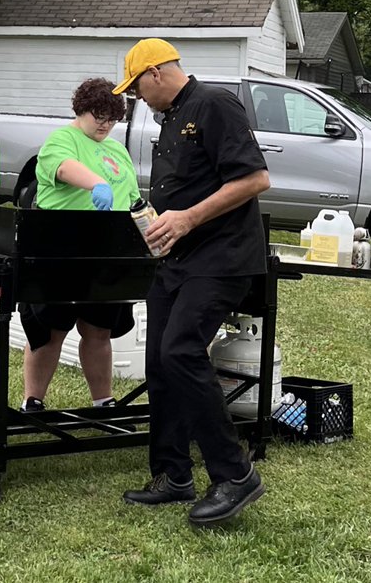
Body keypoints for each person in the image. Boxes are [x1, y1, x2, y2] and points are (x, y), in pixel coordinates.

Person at [113, 39, 271, 526]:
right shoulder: (170, 119)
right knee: (160, 359)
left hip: (220, 257)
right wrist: (159, 225)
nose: (137, 98)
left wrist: (186, 219)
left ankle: (234, 474)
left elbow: (255, 180)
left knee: (181, 350)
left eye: (137, 87)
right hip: (176, 259)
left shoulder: (214, 104)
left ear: (156, 72)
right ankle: (172, 474)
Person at [19, 78, 139, 412]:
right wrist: (97, 183)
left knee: (99, 329)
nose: (105, 124)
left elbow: (132, 198)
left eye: (112, 119)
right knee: (51, 328)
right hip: (61, 250)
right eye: (98, 116)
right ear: (80, 109)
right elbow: (63, 168)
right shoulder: (62, 139)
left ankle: (103, 401)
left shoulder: (117, 150)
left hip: (106, 254)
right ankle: (33, 400)